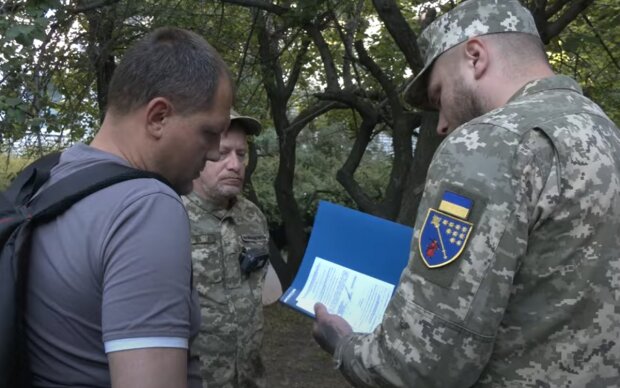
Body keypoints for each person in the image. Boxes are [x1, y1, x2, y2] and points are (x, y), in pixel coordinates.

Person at [312, 0, 620, 386]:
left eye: (440, 97)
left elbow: (418, 367)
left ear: (474, 56)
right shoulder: (606, 132)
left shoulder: (490, 141)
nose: (441, 124)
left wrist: (343, 345)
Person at [25, 27, 232, 388]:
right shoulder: (146, 208)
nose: (215, 151)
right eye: (209, 132)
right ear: (158, 117)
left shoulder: (49, 178)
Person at [183, 109, 270, 388]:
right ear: (199, 154)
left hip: (249, 377)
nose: (235, 165)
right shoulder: (170, 214)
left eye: (241, 154)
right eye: (223, 153)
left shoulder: (253, 217)